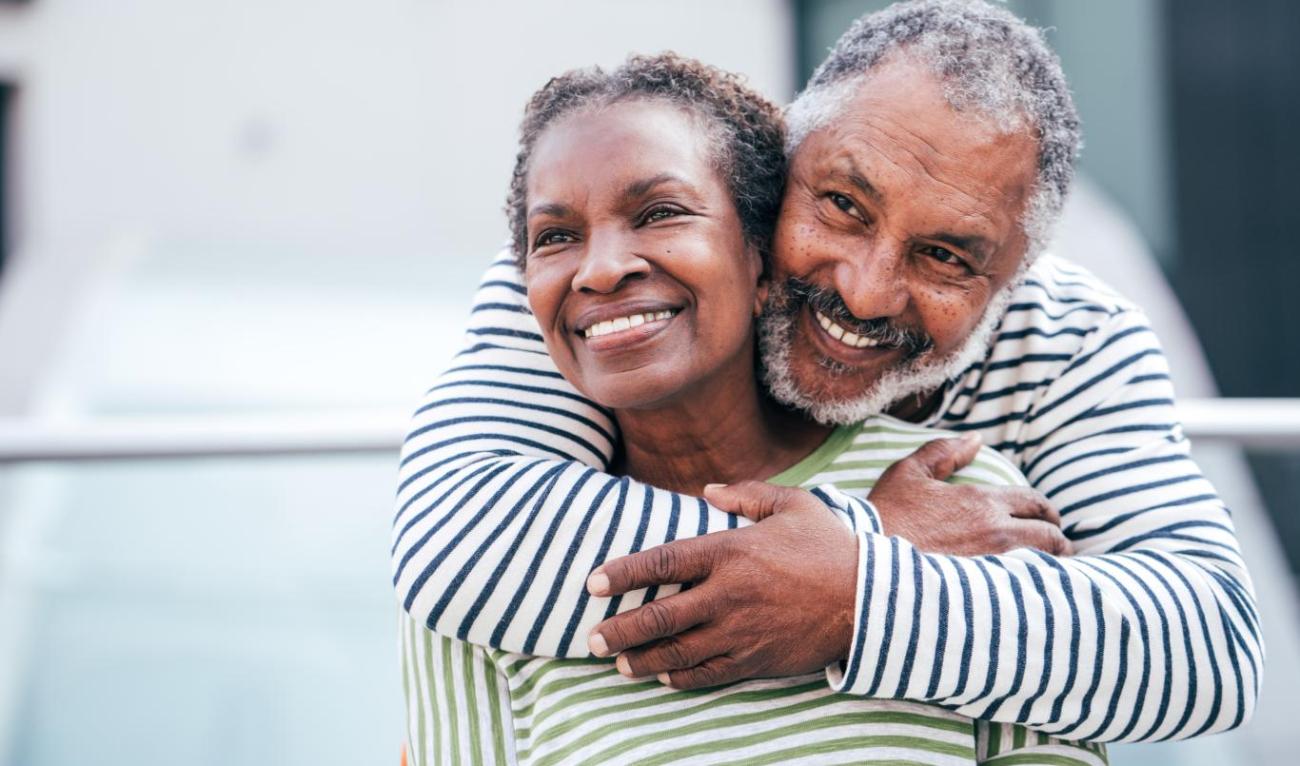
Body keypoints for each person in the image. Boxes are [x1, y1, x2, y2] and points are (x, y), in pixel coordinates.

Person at [394, 0, 1259, 749]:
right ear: (779, 164)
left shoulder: (1072, 338)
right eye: (842, 205)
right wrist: (868, 539)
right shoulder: (605, 284)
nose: (865, 288)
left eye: (947, 257)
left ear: (1016, 275)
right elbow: (459, 537)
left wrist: (854, 595)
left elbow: (1207, 649)